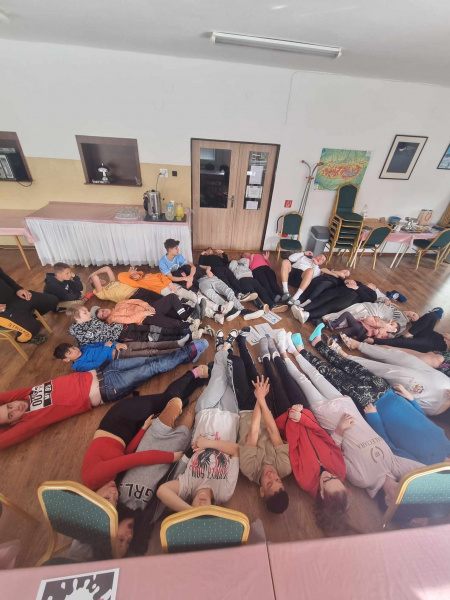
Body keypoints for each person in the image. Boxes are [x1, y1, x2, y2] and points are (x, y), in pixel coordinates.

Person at [276, 331, 425, 506]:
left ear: (387, 500)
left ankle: (283, 354)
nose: (405, 494)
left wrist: (340, 428)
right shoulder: (395, 466)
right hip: (346, 406)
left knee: (303, 380)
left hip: (329, 416)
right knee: (317, 375)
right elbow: (426, 471)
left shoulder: (364, 479)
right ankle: (294, 350)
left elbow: (334, 453)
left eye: (401, 500)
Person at [289, 330, 450, 465]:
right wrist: (411, 399)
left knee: (334, 375)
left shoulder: (425, 465)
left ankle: (302, 352)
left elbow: (390, 449)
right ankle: (318, 343)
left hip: (372, 405)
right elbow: (423, 419)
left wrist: (373, 417)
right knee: (351, 366)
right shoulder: (447, 444)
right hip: (388, 392)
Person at [0, 351, 204, 450]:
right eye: (11, 414)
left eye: (9, 406)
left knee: (149, 358)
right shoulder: (31, 420)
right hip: (109, 387)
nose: (14, 407)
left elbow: (4, 397)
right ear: (15, 422)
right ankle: (191, 352)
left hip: (104, 370)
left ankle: (186, 355)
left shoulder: (25, 394)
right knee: (152, 368)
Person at [81, 367, 209, 491]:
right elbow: (125, 454)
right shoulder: (106, 485)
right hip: (128, 432)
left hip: (119, 419)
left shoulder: (93, 478)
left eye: (108, 497)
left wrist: (171, 457)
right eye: (114, 500)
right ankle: (200, 381)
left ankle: (193, 373)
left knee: (168, 398)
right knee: (170, 406)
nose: (114, 495)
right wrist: (143, 428)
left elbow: (137, 458)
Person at [157, 348, 241, 511]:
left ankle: (223, 349)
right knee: (232, 378)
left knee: (219, 372)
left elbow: (162, 491)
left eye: (198, 509)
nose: (201, 505)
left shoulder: (187, 487)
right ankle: (225, 353)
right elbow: (236, 450)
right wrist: (208, 443)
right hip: (229, 415)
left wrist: (192, 513)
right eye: (205, 511)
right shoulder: (223, 493)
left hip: (205, 412)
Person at [228, 330, 291, 513]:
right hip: (264, 409)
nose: (272, 475)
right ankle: (241, 342)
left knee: (236, 363)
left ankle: (226, 350)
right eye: (277, 480)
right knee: (253, 372)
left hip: (248, 411)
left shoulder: (249, 469)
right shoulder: (284, 467)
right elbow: (273, 431)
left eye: (269, 483)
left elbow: (253, 433)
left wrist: (259, 398)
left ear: (262, 491)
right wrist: (262, 399)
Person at [339, 336, 450, 416]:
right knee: (398, 356)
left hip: (434, 396)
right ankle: (358, 345)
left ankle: (348, 358)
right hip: (437, 376)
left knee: (388, 371)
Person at [119, 267, 222, 321]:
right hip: (163, 291)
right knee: (189, 302)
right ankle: (213, 314)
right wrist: (129, 272)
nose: (134, 274)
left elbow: (162, 276)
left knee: (192, 295)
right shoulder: (138, 283)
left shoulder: (149, 275)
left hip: (171, 285)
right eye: (132, 275)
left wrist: (170, 284)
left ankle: (217, 307)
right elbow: (121, 276)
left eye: (135, 273)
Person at [65, 483, 137, 561]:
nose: (129, 536)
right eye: (128, 542)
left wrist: (109, 503)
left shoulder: (85, 545)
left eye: (121, 540)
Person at [67, 304, 193, 346]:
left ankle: (182, 332)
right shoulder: (81, 335)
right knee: (150, 337)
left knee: (152, 328)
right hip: (122, 336)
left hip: (123, 326)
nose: (89, 313)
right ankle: (177, 339)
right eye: (85, 312)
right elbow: (97, 341)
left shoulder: (91, 320)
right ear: (77, 318)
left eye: (87, 311)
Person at [54, 338, 191, 371]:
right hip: (120, 357)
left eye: (73, 347)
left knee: (150, 344)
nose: (75, 350)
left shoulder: (83, 347)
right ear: (66, 360)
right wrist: (108, 348)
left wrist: (116, 344)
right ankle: (179, 351)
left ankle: (177, 343)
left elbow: (104, 343)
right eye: (71, 352)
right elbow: (97, 364)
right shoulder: (78, 365)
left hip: (121, 347)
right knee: (151, 353)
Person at [0, 266, 58, 344]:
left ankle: (27, 320)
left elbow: (4, 277)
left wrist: (18, 289)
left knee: (52, 300)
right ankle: (24, 334)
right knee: (33, 329)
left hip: (15, 297)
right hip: (3, 311)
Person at [196, 265, 264, 322]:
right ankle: (231, 310)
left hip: (210, 277)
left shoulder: (196, 266)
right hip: (200, 282)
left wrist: (207, 270)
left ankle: (243, 310)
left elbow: (208, 267)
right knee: (213, 296)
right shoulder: (189, 273)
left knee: (228, 291)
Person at [291, 279, 377, 324]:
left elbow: (369, 300)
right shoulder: (359, 283)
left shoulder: (373, 294)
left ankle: (307, 316)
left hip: (349, 298)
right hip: (341, 290)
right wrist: (348, 281)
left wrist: (357, 288)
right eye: (369, 282)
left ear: (374, 288)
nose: (369, 283)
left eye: (372, 284)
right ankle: (303, 309)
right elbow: (344, 281)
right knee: (323, 298)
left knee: (329, 306)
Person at [368, 311, 450, 353]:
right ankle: (409, 334)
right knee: (433, 316)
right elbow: (445, 334)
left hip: (436, 345)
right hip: (432, 335)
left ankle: (373, 340)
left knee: (405, 342)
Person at [324, 299, 417, 336]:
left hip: (369, 315)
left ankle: (325, 323)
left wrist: (379, 320)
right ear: (412, 311)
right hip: (367, 305)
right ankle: (325, 319)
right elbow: (377, 300)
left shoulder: (403, 320)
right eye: (413, 314)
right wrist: (385, 300)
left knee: (345, 320)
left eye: (412, 319)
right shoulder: (395, 307)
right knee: (342, 313)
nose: (410, 316)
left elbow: (393, 328)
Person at [329, 311, 400, 342]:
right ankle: (334, 324)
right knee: (347, 314)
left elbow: (376, 340)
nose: (389, 323)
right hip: (358, 323)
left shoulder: (385, 335)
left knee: (348, 330)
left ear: (393, 330)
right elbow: (371, 320)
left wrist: (379, 333)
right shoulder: (382, 321)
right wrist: (375, 317)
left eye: (391, 324)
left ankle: (337, 337)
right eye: (391, 322)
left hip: (362, 330)